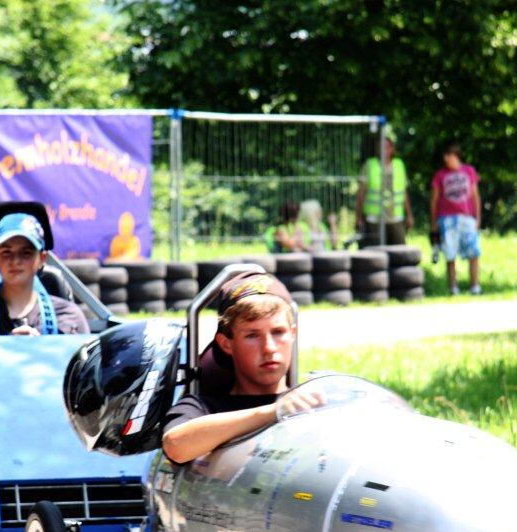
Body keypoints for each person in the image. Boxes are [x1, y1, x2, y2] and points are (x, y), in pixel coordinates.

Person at [161, 272, 323, 463]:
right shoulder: (203, 407)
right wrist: (274, 411)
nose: (269, 348)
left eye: (278, 332)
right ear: (226, 344)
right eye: (252, 335)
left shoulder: (316, 403)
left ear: (293, 334)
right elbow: (176, 446)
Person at [0, 212, 89, 336]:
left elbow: (82, 365)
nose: (15, 261)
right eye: (6, 252)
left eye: (26, 253)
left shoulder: (69, 317)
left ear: (42, 259)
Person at [430, 141, 482, 295]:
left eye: (449, 155)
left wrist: (477, 217)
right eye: (445, 156)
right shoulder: (440, 175)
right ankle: (453, 288)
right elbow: (433, 200)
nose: (446, 159)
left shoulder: (469, 171)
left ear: (456, 155)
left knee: (474, 253)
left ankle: (475, 287)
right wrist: (433, 222)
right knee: (450, 254)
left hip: (467, 218)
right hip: (446, 219)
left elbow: (475, 196)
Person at [355, 134, 413, 247]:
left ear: (392, 149)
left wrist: (409, 215)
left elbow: (404, 193)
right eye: (381, 146)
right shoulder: (370, 165)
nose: (384, 150)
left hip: (395, 218)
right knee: (374, 254)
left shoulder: (399, 165)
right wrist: (358, 218)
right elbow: (361, 194)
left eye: (387, 147)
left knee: (399, 253)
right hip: (374, 218)